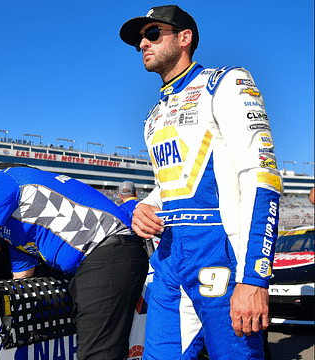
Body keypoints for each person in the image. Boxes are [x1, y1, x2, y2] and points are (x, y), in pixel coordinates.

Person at [120, 5, 283, 359]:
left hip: (220, 252)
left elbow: (261, 178)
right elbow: (170, 185)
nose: (143, 45)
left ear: (184, 38)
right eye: (139, 41)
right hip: (169, 259)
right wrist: (146, 205)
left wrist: (254, 277)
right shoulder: (153, 116)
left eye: (151, 34)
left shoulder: (225, 83)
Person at [0, 166, 149, 360]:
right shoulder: (15, 230)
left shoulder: (1, 181)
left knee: (98, 354)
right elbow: (21, 279)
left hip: (109, 251)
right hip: (97, 261)